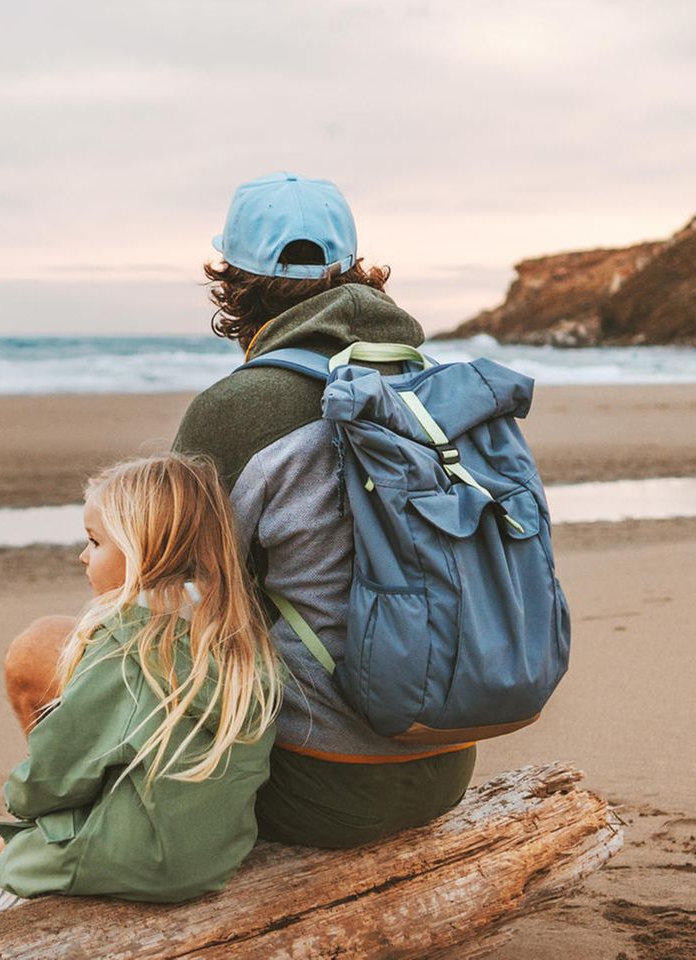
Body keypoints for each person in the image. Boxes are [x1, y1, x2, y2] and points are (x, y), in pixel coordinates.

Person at [170, 171, 476, 848]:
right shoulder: (431, 386)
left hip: (319, 786)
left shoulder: (235, 412)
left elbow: (167, 584)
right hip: (448, 756)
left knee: (55, 651)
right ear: (356, 273)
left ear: (232, 281)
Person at [0, 454, 281, 919]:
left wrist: (20, 811)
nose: (82, 555)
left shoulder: (128, 648)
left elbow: (58, 769)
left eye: (94, 542)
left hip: (137, 859)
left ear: (142, 552)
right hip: (213, 857)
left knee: (8, 869)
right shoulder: (239, 641)